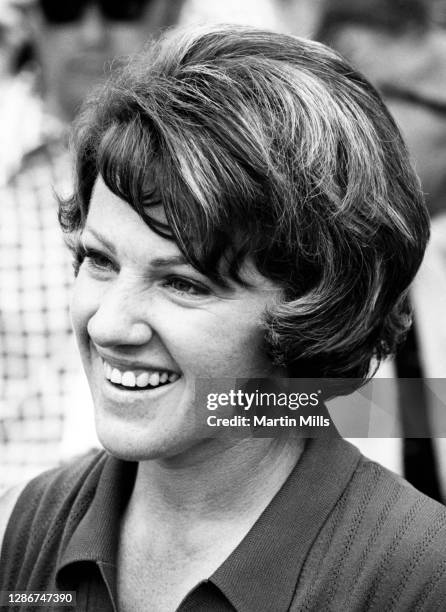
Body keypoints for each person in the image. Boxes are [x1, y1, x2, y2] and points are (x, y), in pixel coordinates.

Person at [1, 24, 446, 611]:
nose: (109, 325)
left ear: (311, 308)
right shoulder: (38, 521)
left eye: (182, 283)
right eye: (99, 260)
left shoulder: (413, 574)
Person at [0, 0, 187, 492]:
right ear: (31, 19)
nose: (92, 34)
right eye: (64, 9)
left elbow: (309, 397)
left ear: (169, 12)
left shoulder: (236, 172)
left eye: (121, 7)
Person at [315, 0, 446, 501]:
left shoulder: (427, 262)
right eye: (442, 107)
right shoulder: (251, 268)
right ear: (366, 107)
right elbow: (221, 409)